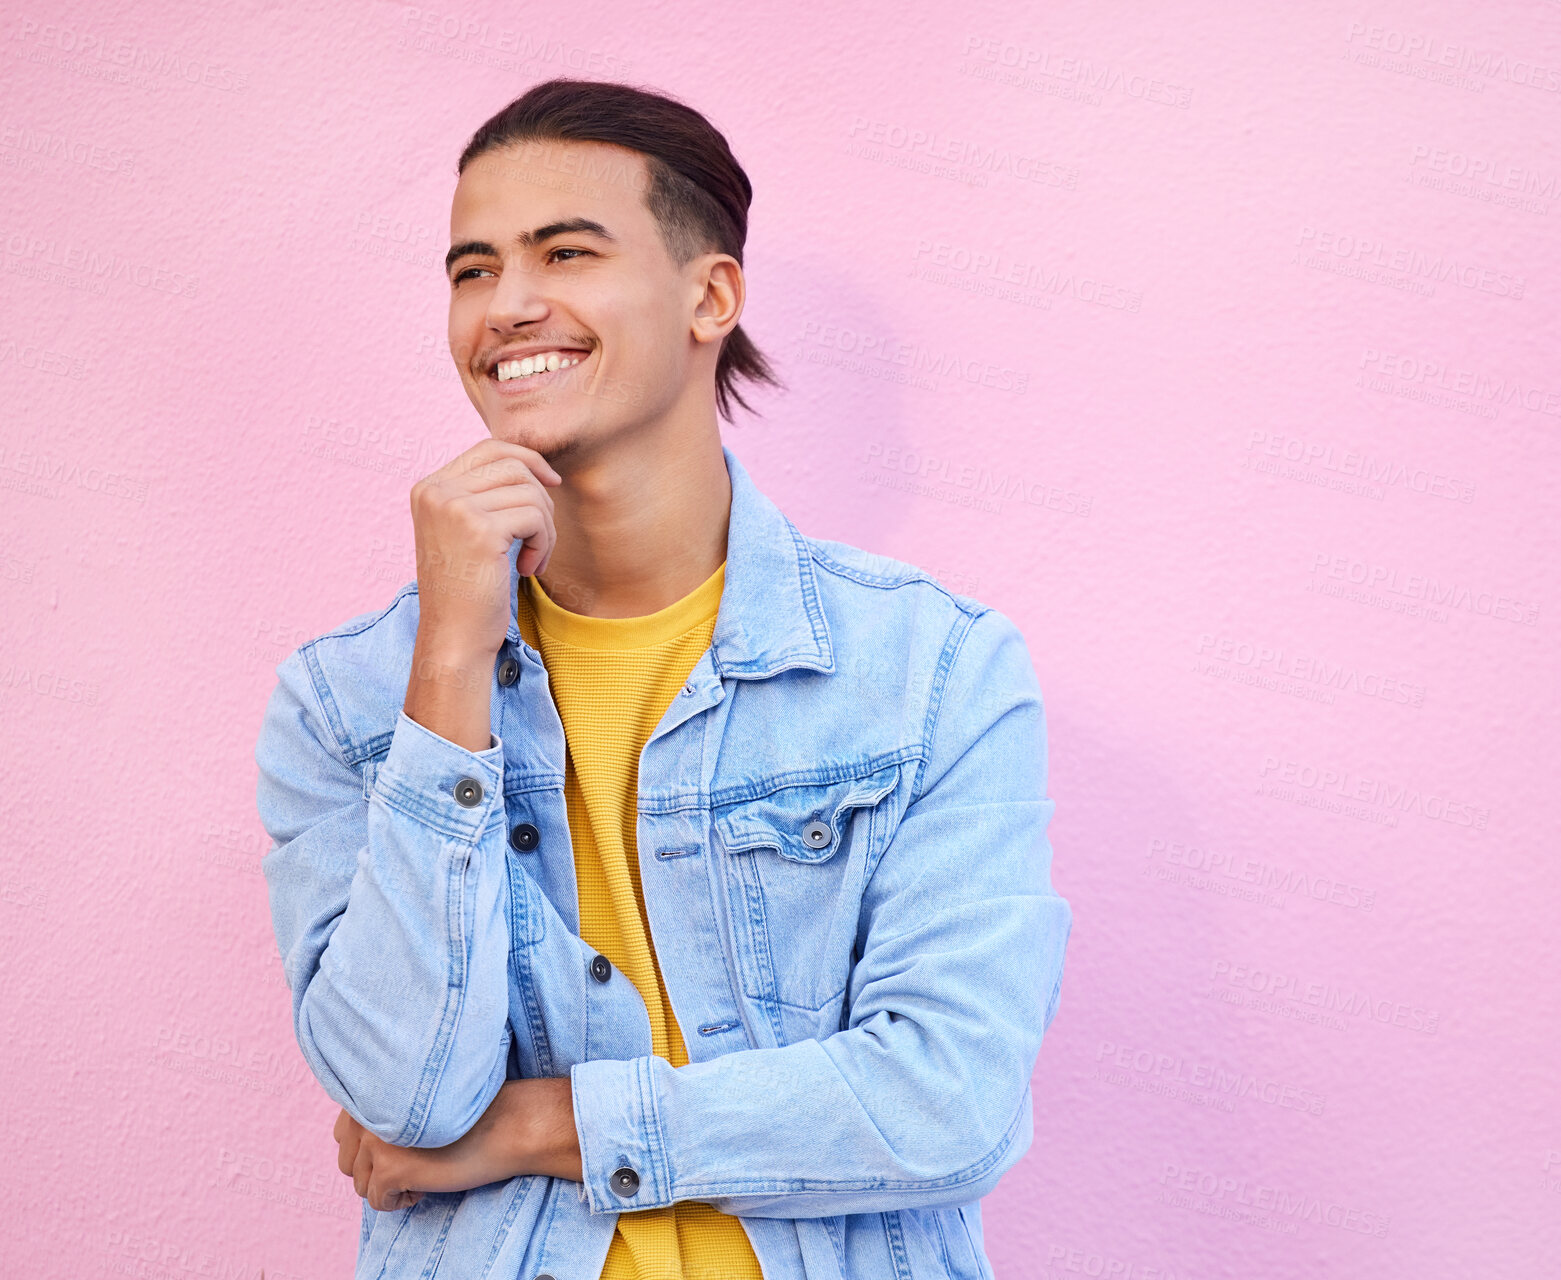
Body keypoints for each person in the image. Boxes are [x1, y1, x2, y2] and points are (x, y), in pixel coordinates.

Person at [255, 77, 1072, 1280]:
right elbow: (403, 1094)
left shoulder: (931, 671)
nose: (508, 306)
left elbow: (949, 1098)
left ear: (711, 294)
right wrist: (448, 663)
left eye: (565, 253)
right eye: (471, 269)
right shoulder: (348, 701)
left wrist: (547, 1123)